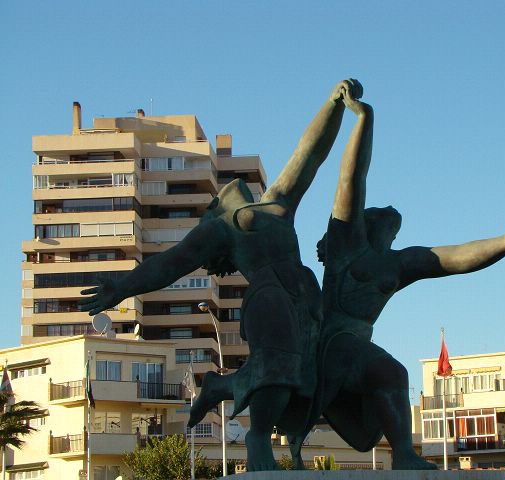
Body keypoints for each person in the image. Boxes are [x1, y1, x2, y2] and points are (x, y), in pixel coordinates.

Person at [79, 80, 360, 471]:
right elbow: (171, 262)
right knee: (277, 368)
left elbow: (309, 155)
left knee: (311, 374)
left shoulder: (276, 202)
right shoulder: (221, 229)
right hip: (269, 296)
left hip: (303, 295)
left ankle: (221, 387)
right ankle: (258, 439)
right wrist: (123, 287)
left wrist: (333, 104)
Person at [286, 87, 505, 469]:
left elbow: (455, 257)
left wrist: (503, 242)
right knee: (393, 372)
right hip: (333, 340)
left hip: (357, 340)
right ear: (367, 223)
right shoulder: (347, 243)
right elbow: (352, 178)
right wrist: (364, 119)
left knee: (389, 377)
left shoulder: (399, 264)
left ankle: (402, 453)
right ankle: (403, 453)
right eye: (382, 216)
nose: (390, 220)